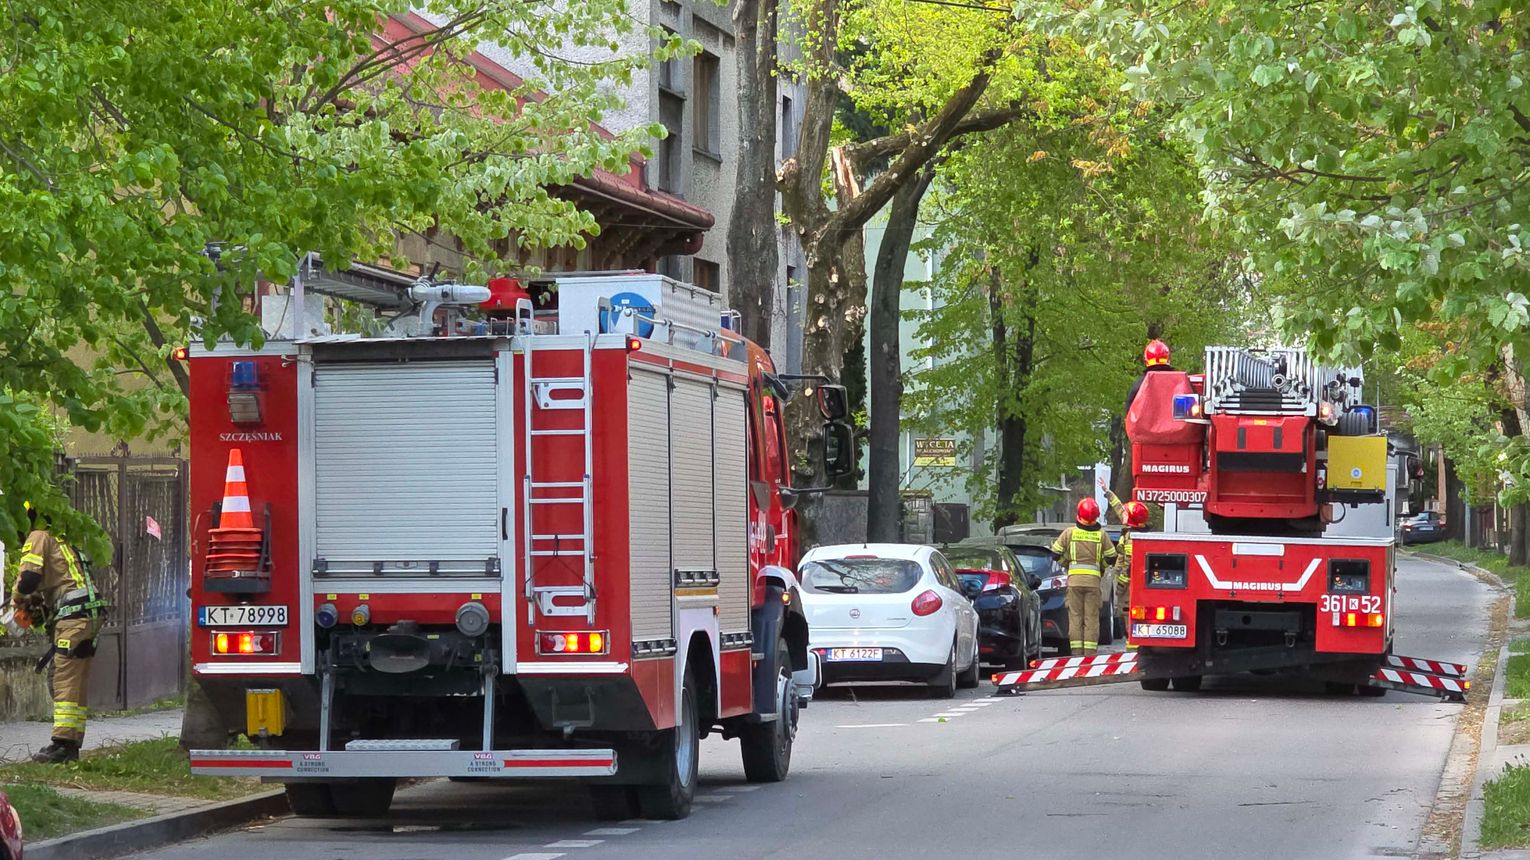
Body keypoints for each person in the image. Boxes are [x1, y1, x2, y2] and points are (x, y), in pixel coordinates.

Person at [12, 502, 109, 763]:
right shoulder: (64, 537)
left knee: (63, 678)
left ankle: (62, 746)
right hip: (90, 612)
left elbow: (29, 579)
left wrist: (16, 600)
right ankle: (72, 742)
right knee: (76, 679)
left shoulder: (38, 536)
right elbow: (62, 581)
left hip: (74, 616)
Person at [1051, 498, 1117, 656]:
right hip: (1093, 583)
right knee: (1091, 620)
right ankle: (1089, 656)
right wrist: (1101, 566)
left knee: (1075, 618)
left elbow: (1055, 553)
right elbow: (1112, 557)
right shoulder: (1101, 535)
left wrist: (1067, 563)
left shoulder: (1069, 533)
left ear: (1079, 514)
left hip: (1074, 582)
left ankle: (1076, 655)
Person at [1099, 477, 1151, 651]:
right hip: (1131, 583)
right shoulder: (1133, 529)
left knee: (1128, 615)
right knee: (1124, 614)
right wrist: (1107, 492)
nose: (1123, 515)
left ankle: (1133, 650)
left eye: (1126, 514)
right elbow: (1120, 508)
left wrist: (1120, 584)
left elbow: (1129, 566)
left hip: (1130, 585)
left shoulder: (1132, 539)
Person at [1125, 339, 1174, 415]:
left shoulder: (1140, 384)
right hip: (1177, 426)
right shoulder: (1180, 382)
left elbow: (1129, 414)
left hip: (1144, 427)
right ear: (1167, 359)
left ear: (1146, 360)